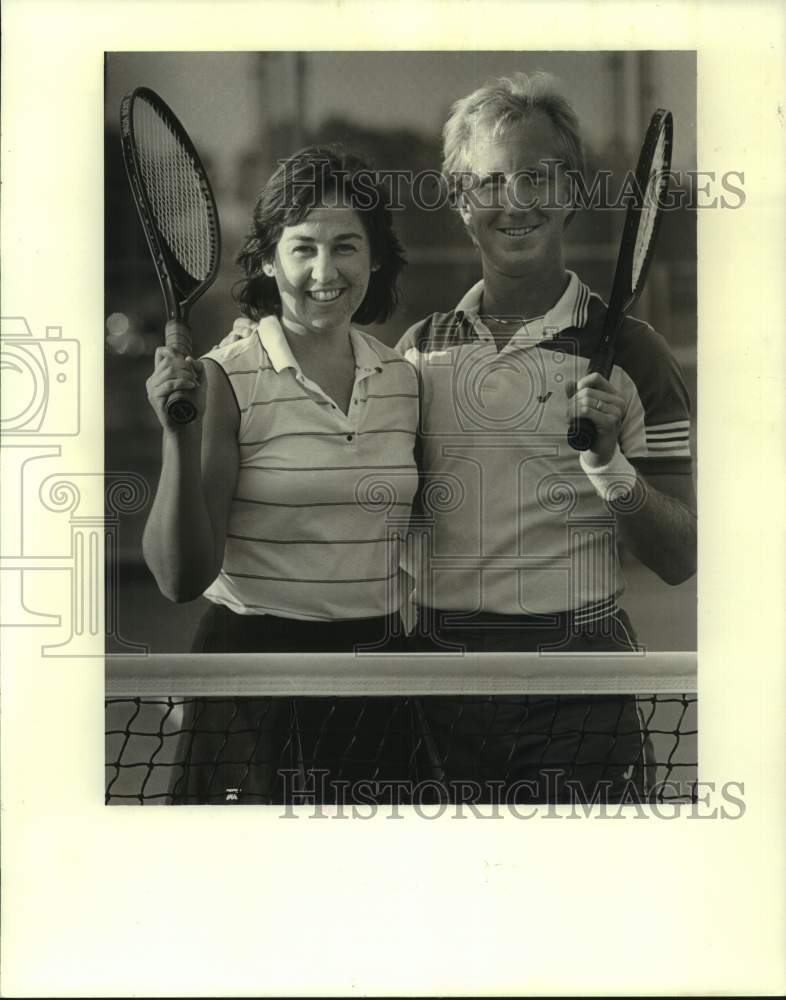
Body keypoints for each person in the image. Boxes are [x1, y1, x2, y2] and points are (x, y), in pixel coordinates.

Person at [397, 72, 697, 803]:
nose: (517, 201)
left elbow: (681, 554)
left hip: (582, 684)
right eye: (491, 181)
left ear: (572, 191)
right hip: (439, 680)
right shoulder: (415, 353)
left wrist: (606, 463)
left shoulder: (634, 352)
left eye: (538, 176)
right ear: (463, 203)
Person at [142, 146, 420, 803]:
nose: (326, 271)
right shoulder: (226, 376)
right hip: (254, 685)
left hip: (376, 679)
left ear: (375, 257)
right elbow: (181, 578)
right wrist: (178, 440)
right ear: (269, 260)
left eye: (346, 246)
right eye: (303, 248)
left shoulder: (404, 380)